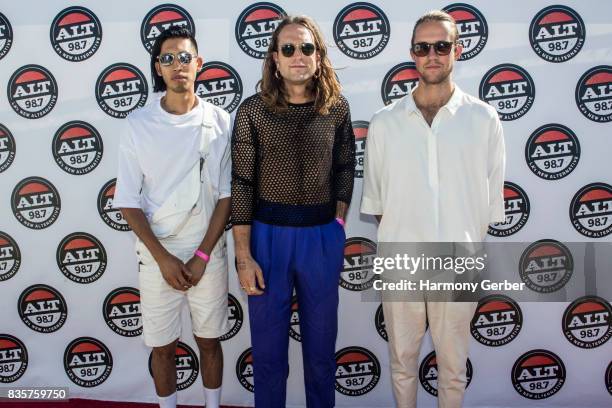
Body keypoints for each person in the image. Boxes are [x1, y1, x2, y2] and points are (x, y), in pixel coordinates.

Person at [361, 10, 505, 408]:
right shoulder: (384, 122)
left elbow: (490, 203)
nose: (433, 55)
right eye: (423, 47)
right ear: (412, 54)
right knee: (402, 364)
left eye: (442, 46)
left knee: (453, 369)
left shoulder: (483, 118)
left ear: (457, 50)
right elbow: (376, 204)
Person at [231, 15, 355, 408]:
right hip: (267, 239)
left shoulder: (336, 108)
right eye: (288, 49)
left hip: (321, 238)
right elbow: (241, 184)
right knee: (268, 355)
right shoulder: (253, 111)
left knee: (321, 350)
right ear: (274, 59)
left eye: (306, 48)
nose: (298, 56)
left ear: (318, 57)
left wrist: (336, 221)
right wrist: (244, 255)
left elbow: (345, 166)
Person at [113, 27, 231, 408]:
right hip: (156, 255)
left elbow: (228, 196)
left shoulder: (221, 121)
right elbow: (128, 201)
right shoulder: (137, 125)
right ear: (158, 69)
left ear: (198, 64)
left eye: (184, 57)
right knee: (163, 347)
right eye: (168, 59)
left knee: (209, 341)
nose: (177, 65)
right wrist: (163, 258)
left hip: (206, 251)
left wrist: (200, 256)